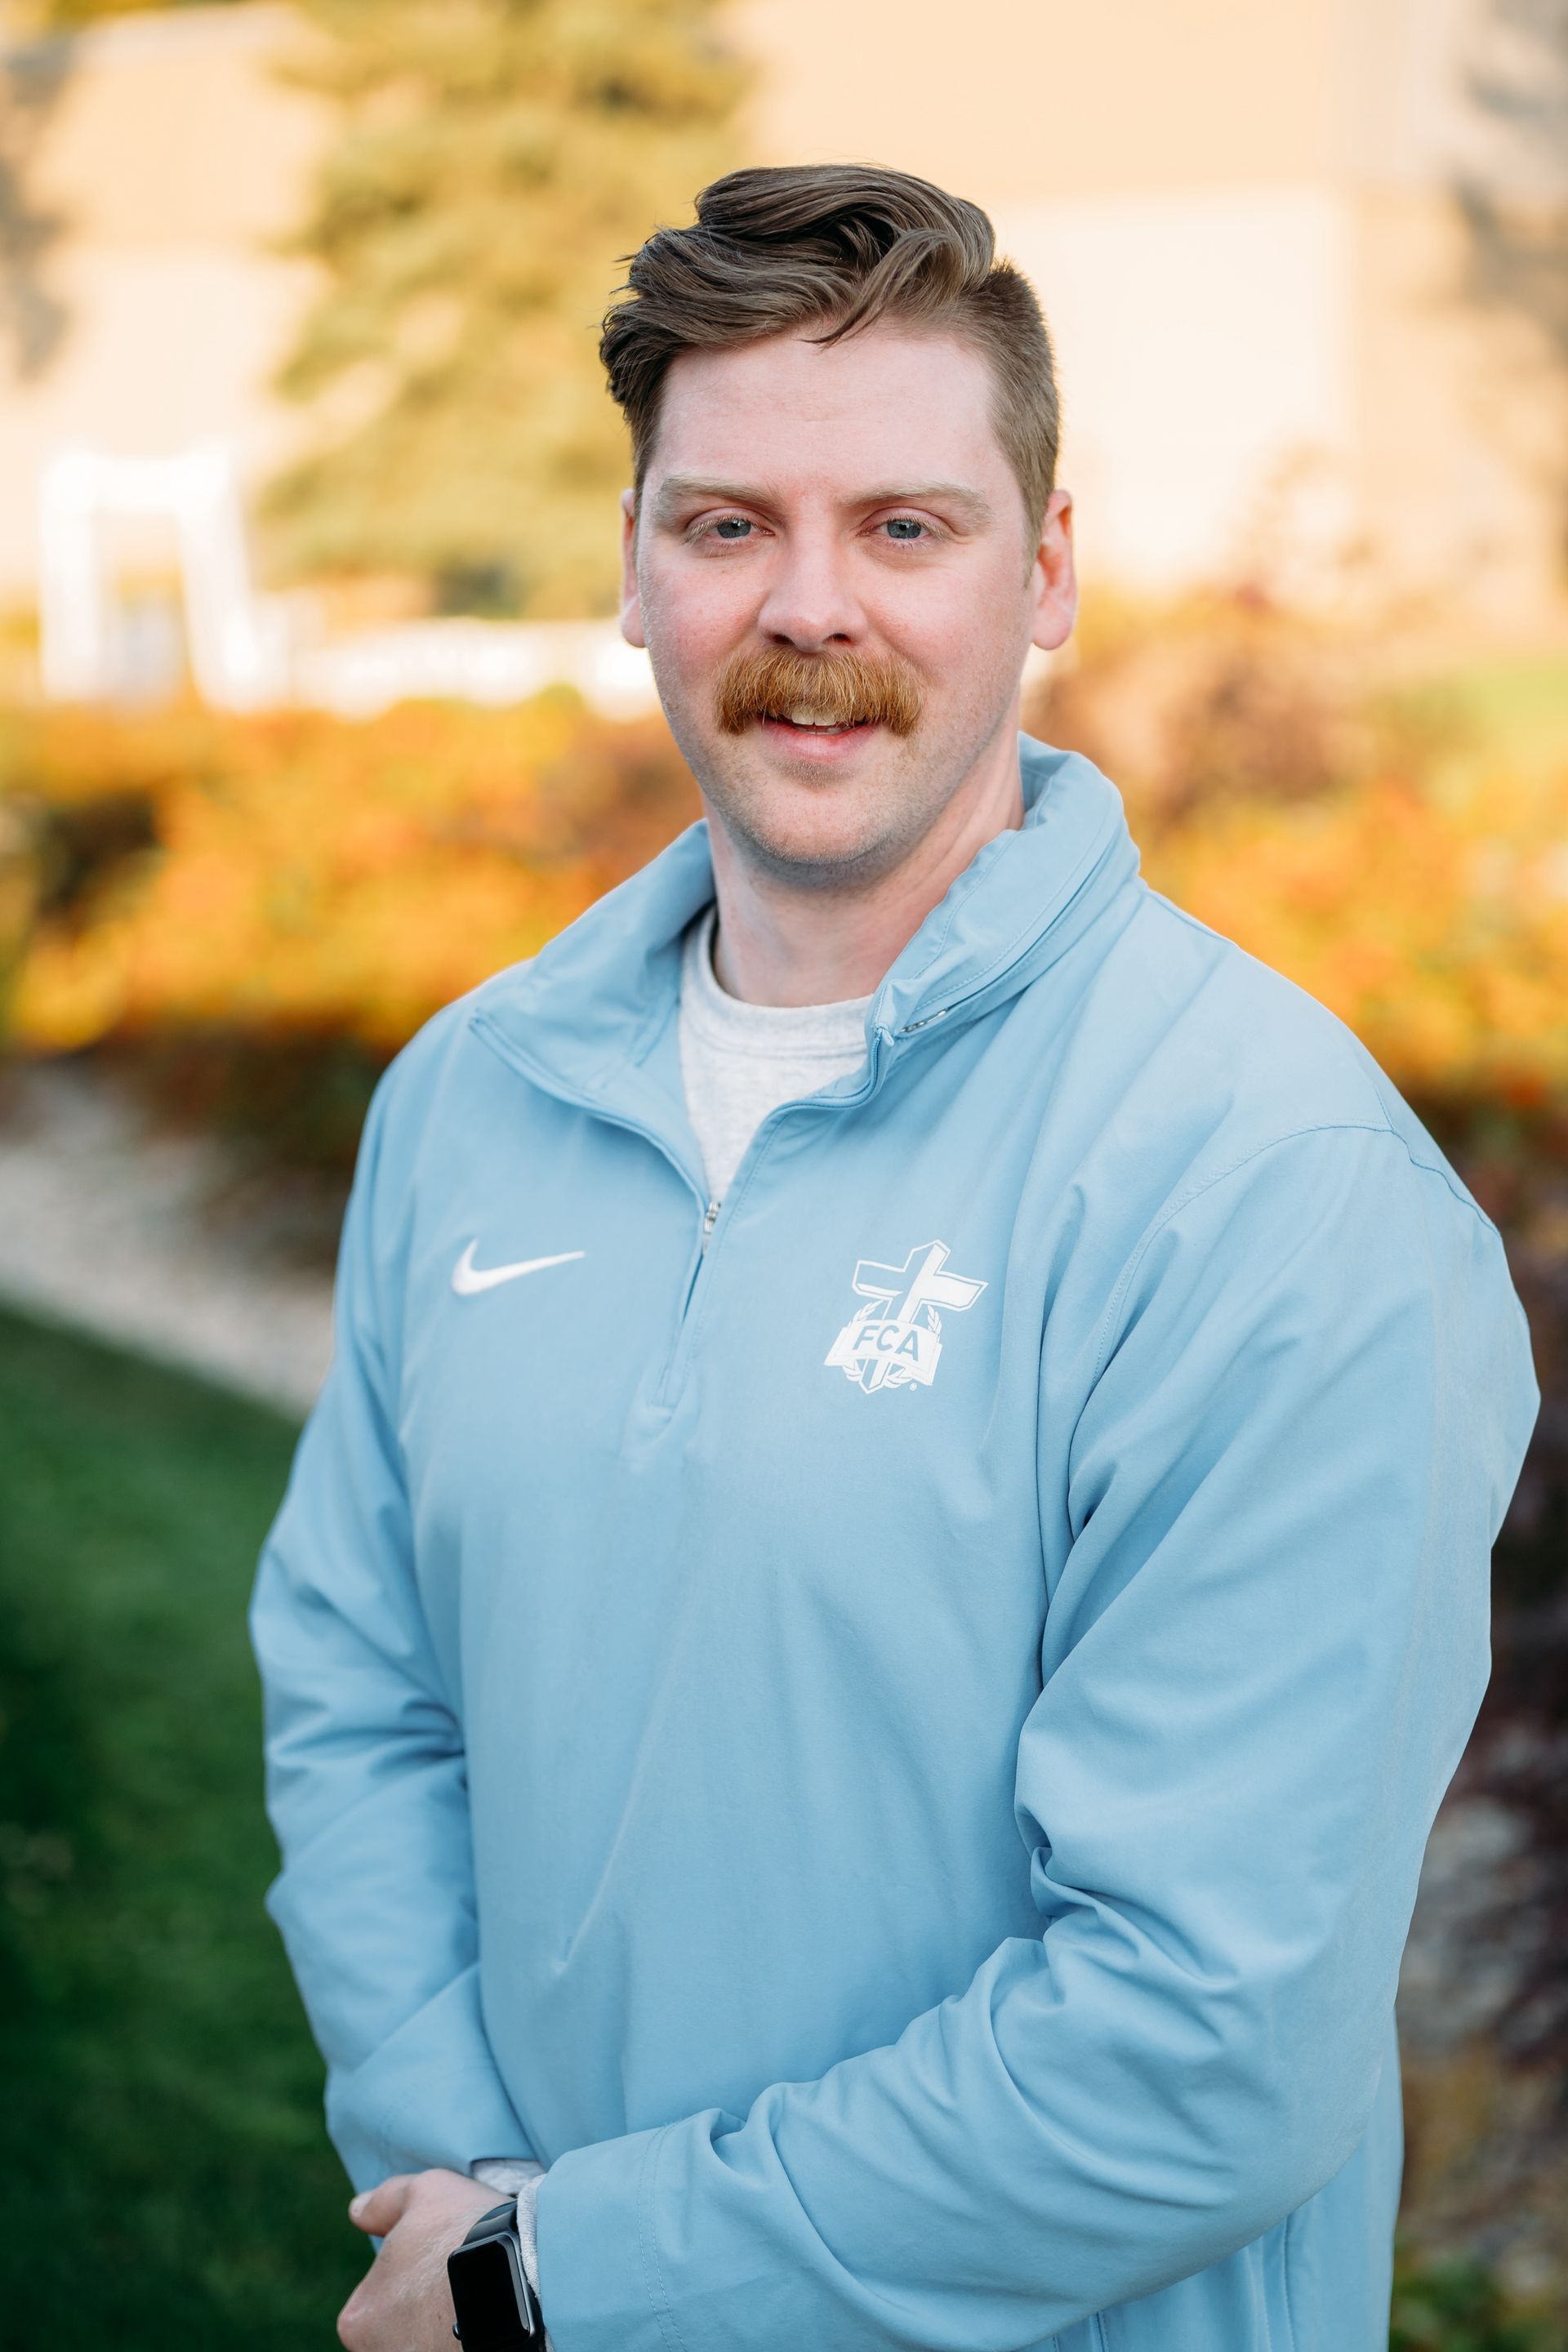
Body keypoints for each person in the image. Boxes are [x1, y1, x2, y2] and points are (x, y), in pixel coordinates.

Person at [251, 165, 1537, 2352]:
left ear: (1048, 570)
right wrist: (464, 2204)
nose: (808, 604)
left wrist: (570, 2271)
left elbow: (1200, 2052)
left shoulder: (1275, 1188)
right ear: (635, 568)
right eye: (726, 524)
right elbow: (363, 1696)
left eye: (906, 527)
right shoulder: (470, 1099)